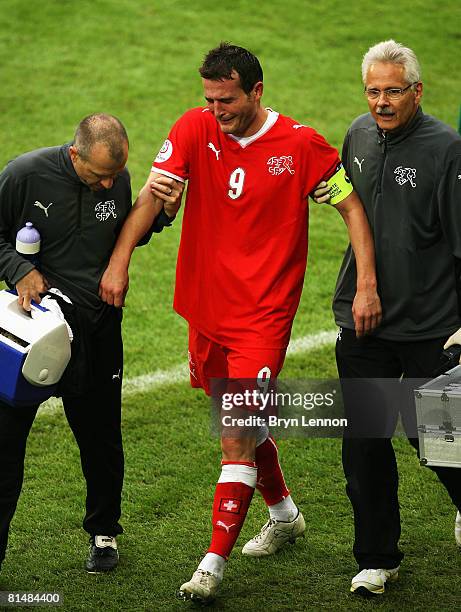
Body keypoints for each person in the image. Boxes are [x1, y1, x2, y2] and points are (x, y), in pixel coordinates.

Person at [100, 42, 381, 603]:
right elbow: (154, 199)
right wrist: (119, 260)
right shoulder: (192, 127)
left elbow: (351, 207)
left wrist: (367, 284)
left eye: (226, 99)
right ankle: (284, 515)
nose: (217, 110)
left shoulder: (298, 145)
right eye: (209, 99)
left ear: (256, 91)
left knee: (234, 435)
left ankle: (211, 565)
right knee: (239, 420)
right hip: (207, 307)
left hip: (263, 316)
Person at [314, 40, 461, 596]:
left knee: (442, 444)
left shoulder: (447, 150)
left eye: (393, 91)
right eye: (373, 91)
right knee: (365, 442)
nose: (381, 102)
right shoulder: (358, 135)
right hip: (365, 320)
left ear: (417, 91)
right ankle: (377, 558)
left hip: (431, 325)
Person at [0, 114, 171, 575]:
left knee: (100, 439)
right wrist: (19, 269)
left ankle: (104, 532)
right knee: (4, 445)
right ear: (75, 155)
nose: (109, 183)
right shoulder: (23, 175)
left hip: (96, 329)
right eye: (99, 175)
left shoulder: (116, 179)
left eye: (115, 174)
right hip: (31, 331)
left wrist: (163, 214)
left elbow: (124, 234)